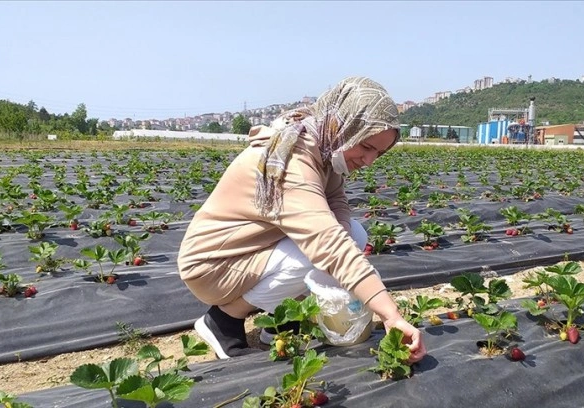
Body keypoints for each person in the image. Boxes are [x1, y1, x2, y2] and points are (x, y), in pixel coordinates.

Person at [177, 76, 426, 364]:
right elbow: (328, 245)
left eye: (379, 153)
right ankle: (223, 321)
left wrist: (340, 229)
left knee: (351, 235)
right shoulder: (290, 160)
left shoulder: (323, 143)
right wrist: (390, 314)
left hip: (251, 248)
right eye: (366, 146)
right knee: (321, 252)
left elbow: (336, 199)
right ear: (344, 125)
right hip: (213, 265)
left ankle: (280, 322)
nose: (369, 161)